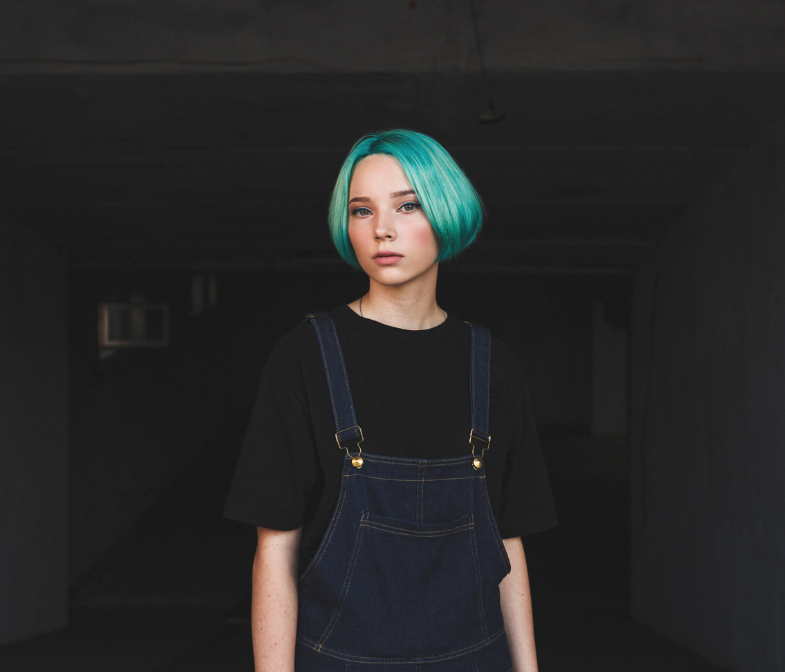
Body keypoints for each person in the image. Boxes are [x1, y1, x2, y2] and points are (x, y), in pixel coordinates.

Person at [224, 129, 557, 672]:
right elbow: (275, 551)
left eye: (408, 205)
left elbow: (508, 547)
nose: (382, 229)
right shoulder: (304, 357)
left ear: (447, 212)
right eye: (361, 211)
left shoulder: (494, 365)